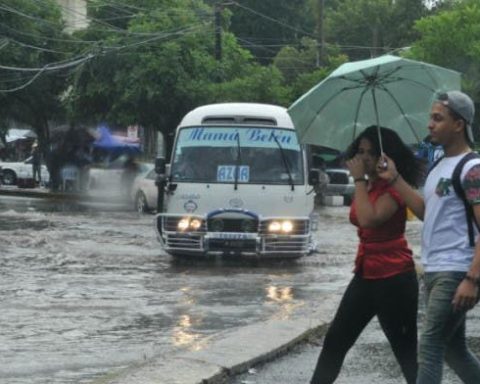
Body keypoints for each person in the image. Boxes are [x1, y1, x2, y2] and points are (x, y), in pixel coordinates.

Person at [378, 90, 480, 384]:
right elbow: (427, 212)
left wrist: (473, 279)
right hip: (435, 268)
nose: (430, 125)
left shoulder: (471, 169)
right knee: (453, 349)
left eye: (438, 118)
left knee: (431, 345)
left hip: (456, 269)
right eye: (431, 118)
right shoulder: (438, 166)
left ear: (459, 124)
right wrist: (395, 179)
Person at [310, 126, 424, 384]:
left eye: (371, 153)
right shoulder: (370, 186)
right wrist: (363, 182)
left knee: (406, 355)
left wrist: (359, 180)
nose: (364, 158)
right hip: (365, 274)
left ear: (386, 155)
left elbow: (368, 219)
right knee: (335, 342)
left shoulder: (393, 188)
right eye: (360, 152)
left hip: (394, 278)